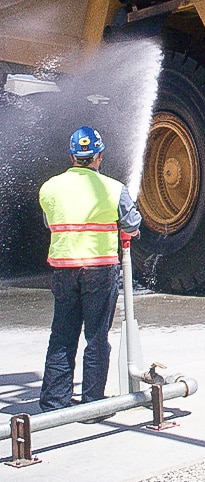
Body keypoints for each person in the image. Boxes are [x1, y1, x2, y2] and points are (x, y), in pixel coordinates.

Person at [38, 126, 141, 412]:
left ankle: (53, 404)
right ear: (99, 156)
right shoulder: (114, 189)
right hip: (100, 269)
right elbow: (132, 225)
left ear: (72, 156)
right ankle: (92, 405)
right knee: (96, 337)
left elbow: (49, 222)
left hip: (63, 270)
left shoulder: (50, 188)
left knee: (61, 335)